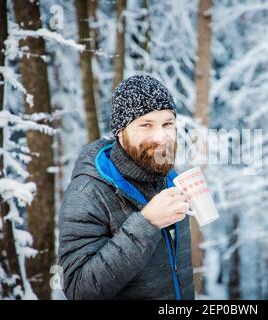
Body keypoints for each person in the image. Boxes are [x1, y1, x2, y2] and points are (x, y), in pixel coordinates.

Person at [58, 74, 195, 300]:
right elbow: (77, 289)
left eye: (167, 124)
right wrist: (146, 223)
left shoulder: (170, 178)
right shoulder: (88, 192)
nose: (161, 137)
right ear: (120, 132)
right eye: (146, 125)